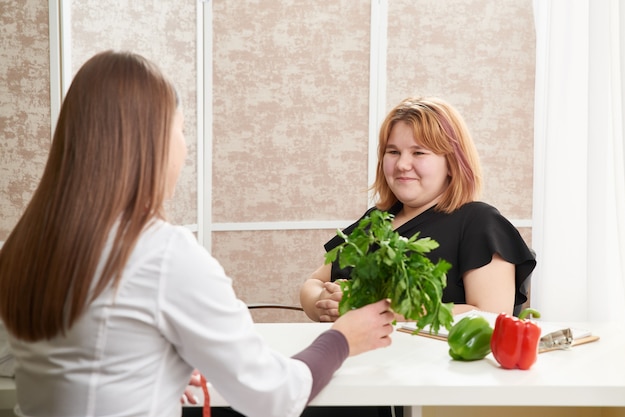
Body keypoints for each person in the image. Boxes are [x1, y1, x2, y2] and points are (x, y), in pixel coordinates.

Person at [0, 50, 396, 417]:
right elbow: (272, 396)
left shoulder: (21, 246)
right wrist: (342, 339)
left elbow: (23, 359)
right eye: (181, 130)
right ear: (150, 144)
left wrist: (140, 368)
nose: (185, 148)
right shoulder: (161, 253)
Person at [300, 96, 537, 323]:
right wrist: (324, 302)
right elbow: (314, 282)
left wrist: (381, 311)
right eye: (393, 152)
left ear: (452, 163)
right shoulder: (375, 220)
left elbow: (490, 315)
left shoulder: (479, 222)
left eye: (419, 152)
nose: (402, 164)